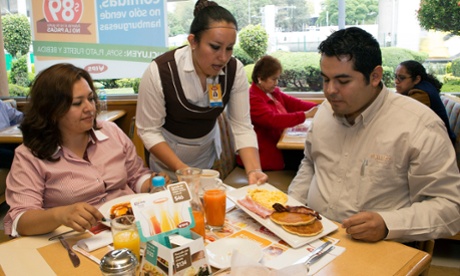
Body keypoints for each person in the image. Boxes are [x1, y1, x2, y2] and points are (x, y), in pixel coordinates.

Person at [288, 27, 460, 243]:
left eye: (343, 81)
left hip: (376, 248)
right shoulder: (325, 111)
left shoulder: (419, 126)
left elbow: (450, 208)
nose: (330, 91)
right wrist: (293, 207)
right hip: (313, 238)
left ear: (375, 76)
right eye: (325, 79)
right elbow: (311, 164)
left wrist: (389, 224)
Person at [3, 63, 159, 237]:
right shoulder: (30, 155)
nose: (90, 108)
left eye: (91, 99)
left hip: (128, 226)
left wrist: (152, 184)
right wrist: (59, 215)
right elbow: (21, 220)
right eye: (77, 103)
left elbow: (135, 176)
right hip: (76, 237)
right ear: (52, 110)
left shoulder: (111, 132)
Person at [136, 0, 268, 184]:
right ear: (193, 41)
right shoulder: (160, 71)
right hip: (168, 162)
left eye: (229, 48)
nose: (223, 57)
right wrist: (182, 169)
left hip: (207, 158)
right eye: (215, 47)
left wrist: (254, 169)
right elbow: (148, 130)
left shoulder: (233, 69)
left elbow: (241, 125)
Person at [236, 55, 317, 170]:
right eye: (273, 79)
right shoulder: (252, 98)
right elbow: (272, 120)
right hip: (265, 156)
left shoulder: (273, 93)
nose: (276, 82)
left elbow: (296, 104)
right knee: (311, 161)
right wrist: (306, 115)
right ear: (260, 78)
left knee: (313, 157)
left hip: (278, 149)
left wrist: (320, 107)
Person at [395, 60, 456, 145]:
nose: (396, 81)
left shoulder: (421, 94)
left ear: (417, 79)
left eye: (401, 78)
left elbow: (399, 116)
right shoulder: (423, 86)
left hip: (439, 146)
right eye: (395, 76)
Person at [0, 100, 23, 168]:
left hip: (7, 141)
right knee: (16, 156)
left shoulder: (1, 104)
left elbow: (18, 117)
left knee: (30, 149)